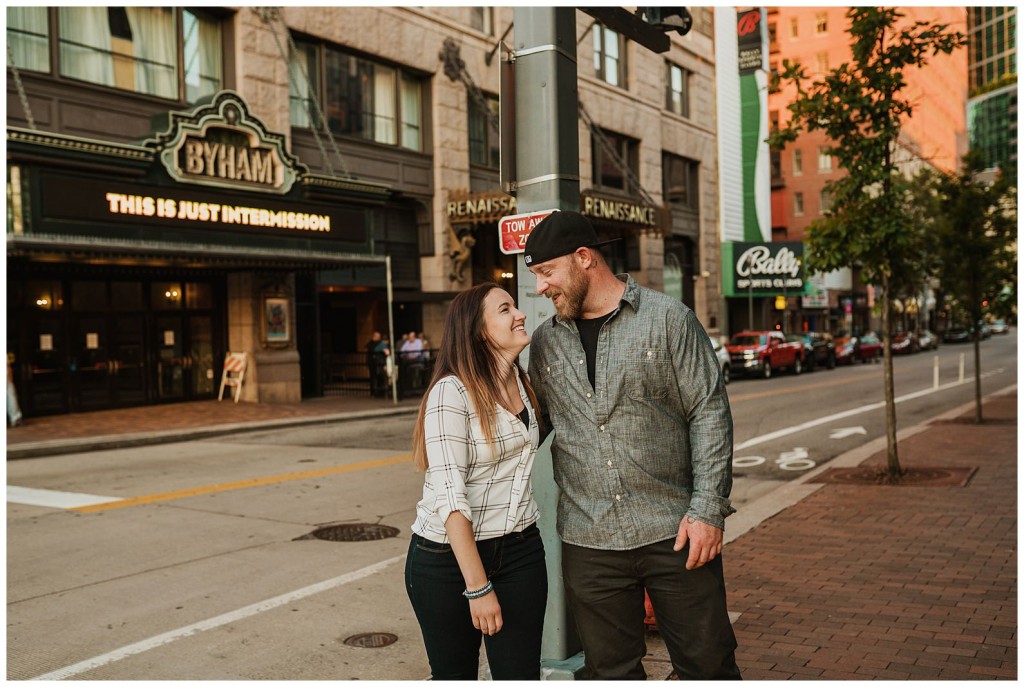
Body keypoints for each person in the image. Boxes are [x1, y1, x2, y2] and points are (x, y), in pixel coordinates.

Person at [524, 211, 741, 680]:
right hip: (589, 539)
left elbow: (709, 413)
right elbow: (529, 427)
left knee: (708, 664)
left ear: (584, 258)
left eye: (545, 273)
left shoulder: (669, 320)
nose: (540, 288)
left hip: (675, 530)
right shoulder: (544, 344)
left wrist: (707, 510)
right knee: (610, 672)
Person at [406, 283, 547, 680]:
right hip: (447, 562)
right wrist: (479, 588)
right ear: (479, 331)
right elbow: (451, 499)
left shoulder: (523, 383)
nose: (520, 314)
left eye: (515, 307)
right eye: (505, 309)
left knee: (520, 675)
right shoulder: (451, 393)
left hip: (520, 549)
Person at [365, 331, 387, 397]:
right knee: (373, 377)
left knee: (379, 377)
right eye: (378, 337)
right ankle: (373, 391)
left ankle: (379, 391)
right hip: (372, 362)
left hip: (379, 363)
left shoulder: (380, 343)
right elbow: (371, 351)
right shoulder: (371, 344)